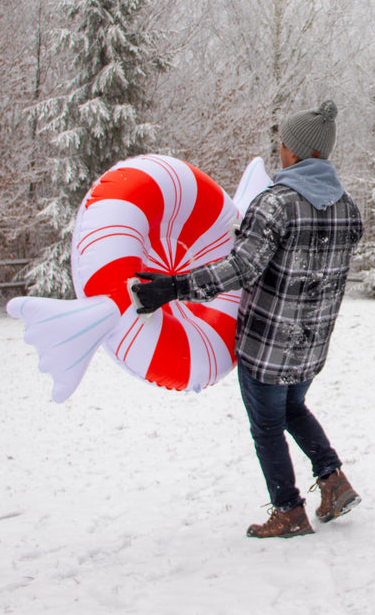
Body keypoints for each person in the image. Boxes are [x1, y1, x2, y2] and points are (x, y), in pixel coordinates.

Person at [131, 100, 363, 539]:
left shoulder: (275, 204)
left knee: (268, 424)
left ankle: (288, 510)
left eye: (284, 143)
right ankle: (333, 481)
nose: (280, 149)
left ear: (295, 150)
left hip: (267, 343)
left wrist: (173, 286)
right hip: (311, 345)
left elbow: (242, 269)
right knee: (293, 407)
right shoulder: (348, 208)